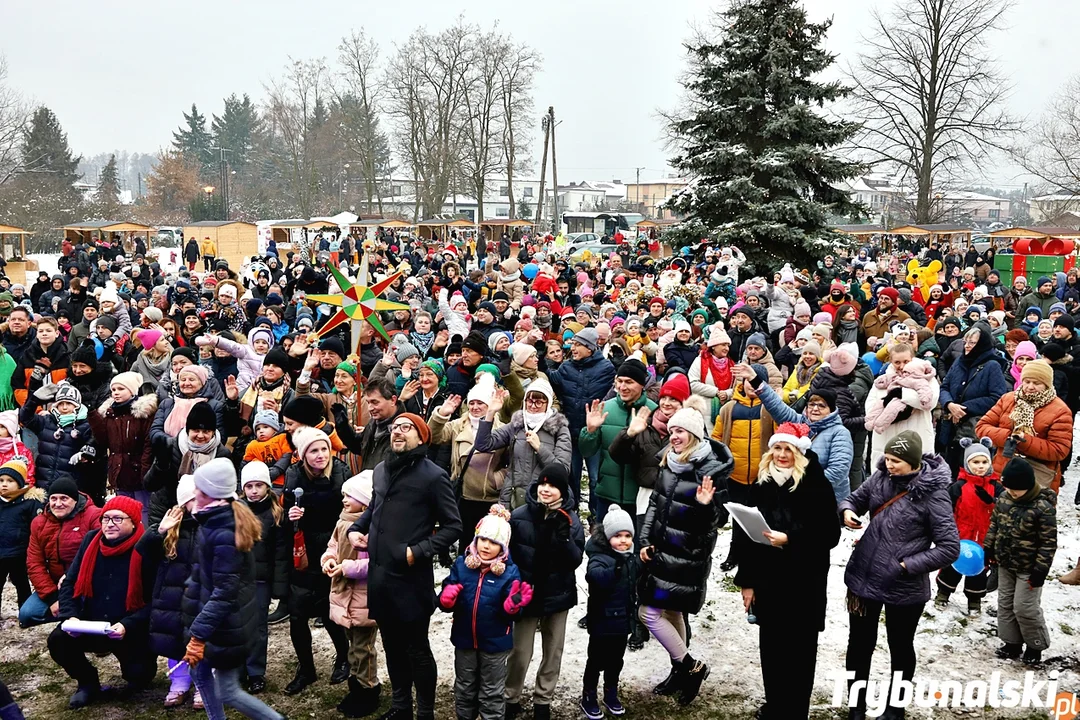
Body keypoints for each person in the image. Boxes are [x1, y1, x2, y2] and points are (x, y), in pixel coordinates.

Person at [347, 413, 462, 720]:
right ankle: (401, 708)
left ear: (421, 436)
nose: (398, 431)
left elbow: (453, 527)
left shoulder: (433, 476)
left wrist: (418, 551)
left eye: (406, 427)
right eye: (395, 427)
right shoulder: (382, 469)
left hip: (411, 579)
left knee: (416, 650)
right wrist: (357, 527)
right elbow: (374, 507)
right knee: (392, 647)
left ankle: (424, 713)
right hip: (380, 576)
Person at [838, 431, 960, 719]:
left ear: (913, 461)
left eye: (895, 461)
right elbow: (854, 498)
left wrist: (906, 566)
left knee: (901, 647)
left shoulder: (934, 495)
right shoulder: (880, 477)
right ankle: (857, 707)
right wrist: (847, 510)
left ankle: (895, 709)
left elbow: (949, 548)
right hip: (865, 577)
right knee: (859, 646)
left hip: (903, 585)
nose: (888, 464)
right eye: (888, 458)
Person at [735, 423, 840, 720]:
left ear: (800, 452)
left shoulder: (816, 484)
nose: (782, 455)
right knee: (771, 650)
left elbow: (830, 534)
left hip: (803, 583)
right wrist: (747, 582)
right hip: (769, 582)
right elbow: (746, 538)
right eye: (778, 448)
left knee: (800, 653)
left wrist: (791, 539)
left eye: (788, 450)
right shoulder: (762, 484)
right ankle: (775, 705)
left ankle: (795, 711)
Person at [638, 408, 734, 706]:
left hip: (686, 557)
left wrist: (705, 505)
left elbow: (715, 524)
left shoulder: (710, 471)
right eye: (672, 430)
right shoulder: (671, 462)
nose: (673, 435)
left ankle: (692, 666)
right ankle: (679, 671)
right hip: (662, 551)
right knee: (672, 612)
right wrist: (644, 538)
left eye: (680, 431)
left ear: (693, 435)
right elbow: (655, 503)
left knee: (648, 613)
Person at [182, 458, 287, 720]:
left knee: (227, 691)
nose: (194, 494)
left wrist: (198, 635)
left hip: (228, 626)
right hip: (220, 622)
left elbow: (224, 592)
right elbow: (204, 577)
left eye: (199, 490)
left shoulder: (225, 533)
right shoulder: (214, 520)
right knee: (200, 673)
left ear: (212, 494)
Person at [48, 495, 157, 710]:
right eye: (105, 518)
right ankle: (88, 682)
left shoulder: (146, 548)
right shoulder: (91, 541)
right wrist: (70, 616)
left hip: (127, 625)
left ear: (133, 522)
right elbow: (69, 583)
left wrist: (128, 625)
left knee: (140, 675)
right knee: (58, 640)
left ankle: (136, 672)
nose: (109, 524)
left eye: (117, 519)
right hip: (91, 622)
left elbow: (156, 599)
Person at [504, 464, 585, 720]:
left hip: (557, 594)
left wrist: (564, 539)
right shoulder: (519, 516)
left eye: (552, 486)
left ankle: (543, 699)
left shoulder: (571, 520)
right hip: (525, 594)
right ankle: (510, 696)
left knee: (553, 650)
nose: (546, 490)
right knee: (520, 651)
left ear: (562, 490)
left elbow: (575, 560)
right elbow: (509, 557)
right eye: (543, 484)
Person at [439, 504, 531, 720]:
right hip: (464, 640)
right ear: (475, 539)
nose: (487, 546)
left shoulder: (509, 573)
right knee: (464, 687)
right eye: (483, 539)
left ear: (504, 547)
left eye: (494, 542)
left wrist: (513, 606)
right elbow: (447, 594)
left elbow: (514, 607)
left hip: (495, 645)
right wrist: (446, 599)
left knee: (492, 691)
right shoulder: (462, 566)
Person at [282, 426, 351, 694]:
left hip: (333, 550)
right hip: (303, 552)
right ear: (303, 455)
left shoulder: (342, 473)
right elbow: (287, 515)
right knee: (297, 616)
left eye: (324, 449)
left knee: (330, 611)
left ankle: (343, 658)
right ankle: (306, 669)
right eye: (314, 450)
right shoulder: (293, 476)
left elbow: (351, 511)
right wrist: (292, 516)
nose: (321, 455)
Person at [984, 459, 1057, 666]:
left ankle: (1035, 644)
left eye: (1017, 489)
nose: (1012, 492)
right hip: (1006, 562)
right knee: (1005, 604)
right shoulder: (1004, 499)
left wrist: (1041, 570)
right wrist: (988, 548)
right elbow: (994, 525)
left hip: (1030, 567)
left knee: (1024, 607)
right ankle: (1012, 643)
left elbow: (1048, 542)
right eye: (1008, 487)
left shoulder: (1043, 508)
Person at [321, 472, 382, 718]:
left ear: (366, 501)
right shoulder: (342, 521)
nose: (344, 499)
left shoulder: (370, 527)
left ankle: (369, 690)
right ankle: (356, 686)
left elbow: (372, 564)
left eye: (350, 495)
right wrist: (329, 559)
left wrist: (344, 567)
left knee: (363, 647)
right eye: (344, 494)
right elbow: (333, 545)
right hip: (344, 594)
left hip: (364, 597)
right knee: (352, 646)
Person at [137, 474, 200, 708]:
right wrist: (160, 531)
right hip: (171, 595)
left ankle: (205, 684)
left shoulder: (213, 525)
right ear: (183, 503)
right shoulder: (171, 526)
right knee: (174, 640)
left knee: (201, 638)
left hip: (201, 596)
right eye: (195, 499)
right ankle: (179, 682)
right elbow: (144, 551)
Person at [473, 378, 572, 511]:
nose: (532, 406)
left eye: (538, 402)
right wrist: (490, 413)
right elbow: (483, 444)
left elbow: (563, 470)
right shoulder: (517, 424)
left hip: (543, 498)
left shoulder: (559, 428)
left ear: (547, 403)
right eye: (529, 401)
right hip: (512, 497)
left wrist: (540, 448)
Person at [975, 359, 1073, 492]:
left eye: (1037, 383)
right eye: (1027, 382)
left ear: (1047, 384)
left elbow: (1060, 450)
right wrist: (1008, 437)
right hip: (1002, 471)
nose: (1030, 387)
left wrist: (1024, 441)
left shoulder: (1060, 410)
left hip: (1037, 477)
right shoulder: (1008, 399)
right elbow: (982, 427)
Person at [580, 358, 657, 524]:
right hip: (607, 493)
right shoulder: (605, 409)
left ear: (642, 384)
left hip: (639, 496)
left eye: (629, 382)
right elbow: (587, 451)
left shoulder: (652, 411)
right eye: (619, 381)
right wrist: (590, 431)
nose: (622, 387)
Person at [579, 504, 637, 720]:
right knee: (595, 660)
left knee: (616, 660)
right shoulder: (600, 556)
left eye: (627, 536)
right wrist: (616, 568)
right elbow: (595, 577)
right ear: (608, 537)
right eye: (618, 536)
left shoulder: (629, 558)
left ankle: (611, 691)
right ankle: (589, 694)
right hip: (602, 621)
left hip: (622, 622)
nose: (623, 540)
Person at [22, 475, 101, 627]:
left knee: (89, 611)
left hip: (85, 582)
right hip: (55, 585)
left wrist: (70, 576)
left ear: (75, 500)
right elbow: (34, 563)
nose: (58, 504)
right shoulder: (39, 523)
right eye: (53, 499)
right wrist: (52, 598)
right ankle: (67, 615)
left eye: (64, 498)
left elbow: (97, 553)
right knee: (27, 614)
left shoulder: (94, 516)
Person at [935, 438, 1003, 616]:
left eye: (984, 462)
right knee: (952, 568)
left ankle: (974, 601)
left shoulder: (996, 487)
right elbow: (946, 510)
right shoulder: (959, 486)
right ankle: (943, 593)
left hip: (984, 537)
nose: (980, 466)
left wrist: (994, 502)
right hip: (961, 535)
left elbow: (1005, 509)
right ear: (967, 463)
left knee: (978, 571)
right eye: (975, 462)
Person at [937, 327, 1011, 474]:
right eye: (966, 342)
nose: (967, 346)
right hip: (951, 426)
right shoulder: (959, 362)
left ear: (981, 344)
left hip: (974, 430)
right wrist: (949, 404)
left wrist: (963, 408)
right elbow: (944, 386)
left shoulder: (992, 366)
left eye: (972, 343)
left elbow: (997, 397)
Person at [87, 372, 157, 516]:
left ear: (132, 391)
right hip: (118, 471)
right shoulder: (110, 414)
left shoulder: (143, 414)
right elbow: (103, 441)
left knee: (143, 511)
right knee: (124, 512)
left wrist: (145, 469)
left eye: (121, 389)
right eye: (113, 390)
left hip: (138, 471)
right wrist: (93, 416)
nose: (116, 393)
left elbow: (148, 444)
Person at [863, 345, 940, 466]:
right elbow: (870, 405)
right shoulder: (883, 380)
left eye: (906, 361)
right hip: (886, 437)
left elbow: (930, 402)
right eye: (897, 362)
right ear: (891, 362)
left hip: (916, 437)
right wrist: (884, 413)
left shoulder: (926, 377)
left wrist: (902, 394)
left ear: (912, 359)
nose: (902, 366)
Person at [0, 459, 44, 617]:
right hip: (0, 552)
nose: (4, 484)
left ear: (19, 483)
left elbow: (37, 527)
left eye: (10, 481)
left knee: (21, 583)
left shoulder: (28, 503)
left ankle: (25, 613)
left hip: (19, 553)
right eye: (1, 480)